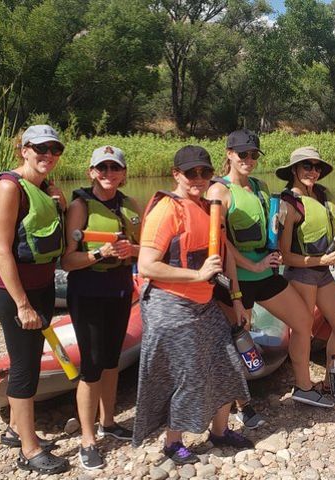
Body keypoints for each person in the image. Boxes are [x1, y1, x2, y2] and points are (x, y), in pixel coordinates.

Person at [133, 145, 253, 462]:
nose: (198, 178)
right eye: (191, 173)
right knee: (186, 375)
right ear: (177, 175)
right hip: (170, 305)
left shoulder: (206, 207)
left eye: (204, 172)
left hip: (203, 304)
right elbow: (146, 265)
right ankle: (173, 442)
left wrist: (236, 299)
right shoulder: (166, 210)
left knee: (227, 361)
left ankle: (219, 430)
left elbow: (222, 260)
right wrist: (197, 274)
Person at [208, 129, 334, 409]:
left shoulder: (260, 186)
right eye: (243, 154)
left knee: (302, 322)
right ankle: (240, 406)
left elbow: (271, 230)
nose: (249, 160)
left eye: (253, 155)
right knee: (237, 342)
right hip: (235, 281)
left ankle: (303, 387)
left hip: (266, 275)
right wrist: (252, 266)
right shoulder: (219, 191)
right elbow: (223, 244)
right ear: (229, 154)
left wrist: (274, 251)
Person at [0, 125, 69, 474]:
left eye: (54, 148)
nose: (48, 154)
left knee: (31, 359)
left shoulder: (43, 187)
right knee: (24, 366)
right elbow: (0, 249)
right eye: (40, 148)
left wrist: (58, 205)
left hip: (43, 286)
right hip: (15, 290)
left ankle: (15, 430)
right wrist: (22, 304)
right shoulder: (8, 187)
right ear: (24, 149)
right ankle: (29, 451)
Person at [61, 146, 141, 469]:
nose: (109, 174)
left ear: (123, 173)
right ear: (92, 172)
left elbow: (144, 249)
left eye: (115, 169)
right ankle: (87, 438)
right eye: (102, 169)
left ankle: (109, 422)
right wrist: (98, 254)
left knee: (111, 361)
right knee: (92, 365)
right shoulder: (80, 207)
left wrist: (129, 249)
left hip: (120, 290)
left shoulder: (131, 206)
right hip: (89, 292)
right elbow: (67, 260)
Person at [275, 146, 335, 395]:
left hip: (323, 273)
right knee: (303, 329)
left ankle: (332, 377)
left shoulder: (322, 195)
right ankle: (303, 385)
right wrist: (320, 261)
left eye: (316, 166)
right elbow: (285, 256)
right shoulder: (289, 204)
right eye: (307, 166)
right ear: (295, 170)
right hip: (302, 273)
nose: (313, 171)